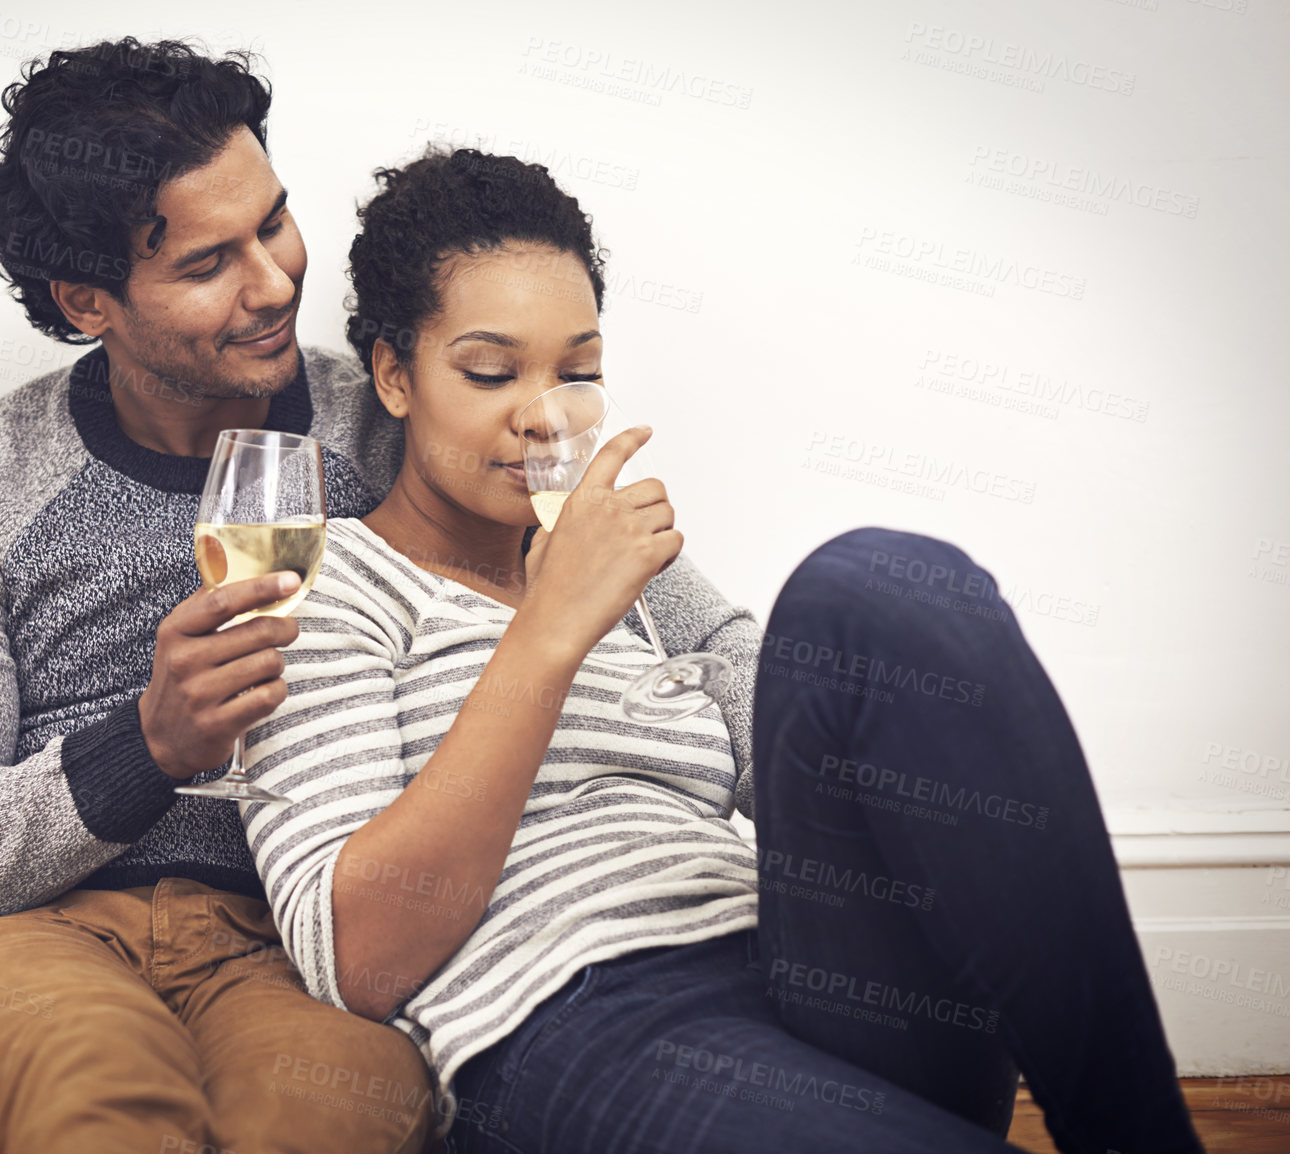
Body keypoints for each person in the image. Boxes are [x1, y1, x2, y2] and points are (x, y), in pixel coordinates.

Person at [0, 40, 753, 1154]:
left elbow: (686, 627)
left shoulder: (399, 413)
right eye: (205, 263)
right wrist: (146, 744)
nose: (276, 283)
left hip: (294, 938)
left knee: (328, 1115)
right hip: (36, 933)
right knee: (93, 1109)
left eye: (272, 222)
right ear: (88, 300)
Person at [238, 148, 1206, 1153]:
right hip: (572, 1016)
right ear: (394, 376)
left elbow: (806, 734)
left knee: (868, 586)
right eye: (490, 370)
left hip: (796, 965)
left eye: (577, 370)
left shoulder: (624, 563)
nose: (544, 413)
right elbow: (358, 956)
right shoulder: (323, 577)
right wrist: (550, 626)